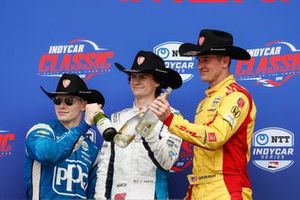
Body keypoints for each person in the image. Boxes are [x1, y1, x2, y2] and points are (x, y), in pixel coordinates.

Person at [149, 29, 257, 200]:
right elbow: (202, 154)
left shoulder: (237, 96)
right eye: (199, 60)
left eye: (206, 60)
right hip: (199, 188)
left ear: (225, 61)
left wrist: (170, 119)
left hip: (226, 189)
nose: (200, 66)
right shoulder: (204, 102)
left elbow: (215, 137)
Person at [95, 50, 183, 200]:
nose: (136, 81)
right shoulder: (117, 118)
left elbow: (167, 162)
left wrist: (147, 129)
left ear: (157, 82)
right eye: (133, 77)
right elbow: (105, 167)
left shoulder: (172, 116)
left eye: (143, 77)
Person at [24, 73, 106, 199]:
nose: (62, 106)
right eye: (57, 100)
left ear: (84, 105)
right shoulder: (41, 131)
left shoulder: (93, 151)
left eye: (69, 101)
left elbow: (93, 195)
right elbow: (50, 154)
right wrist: (85, 125)